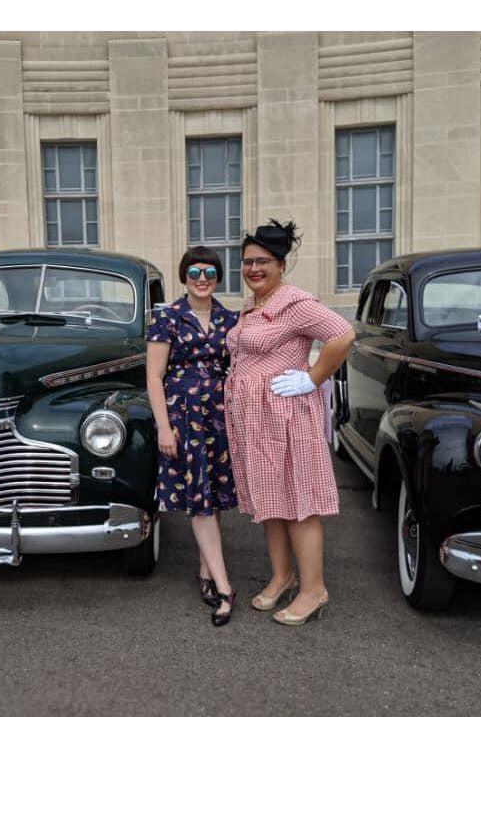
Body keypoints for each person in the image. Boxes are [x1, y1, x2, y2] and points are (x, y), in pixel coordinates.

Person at [225, 220, 355, 625]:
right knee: (270, 500)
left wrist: (313, 377)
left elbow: (342, 334)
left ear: (281, 264)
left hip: (285, 416)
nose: (253, 268)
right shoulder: (251, 306)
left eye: (262, 260)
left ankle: (314, 589)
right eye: (247, 261)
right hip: (253, 419)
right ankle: (283, 576)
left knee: (299, 502)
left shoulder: (295, 303)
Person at [145, 246, 239, 626]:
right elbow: (153, 376)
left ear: (217, 277)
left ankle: (204, 573)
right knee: (197, 498)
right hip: (183, 419)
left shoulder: (230, 319)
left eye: (210, 272)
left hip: (218, 416)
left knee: (212, 494)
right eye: (195, 272)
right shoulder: (167, 318)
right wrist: (164, 427)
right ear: (184, 276)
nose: (202, 279)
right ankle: (224, 587)